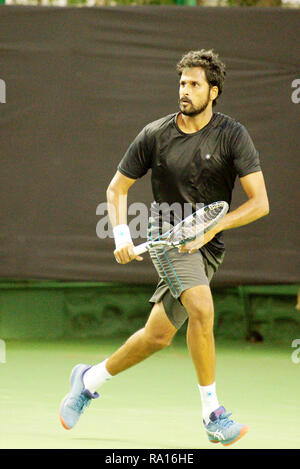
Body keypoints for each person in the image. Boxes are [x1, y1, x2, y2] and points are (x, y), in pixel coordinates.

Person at [59, 49, 269, 446]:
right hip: (168, 235)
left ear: (214, 91)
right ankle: (213, 414)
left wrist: (212, 230)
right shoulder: (155, 134)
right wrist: (121, 235)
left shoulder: (232, 135)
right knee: (202, 308)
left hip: (206, 243)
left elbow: (260, 202)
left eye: (194, 84)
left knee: (157, 336)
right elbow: (117, 188)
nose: (185, 91)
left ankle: (88, 379)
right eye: (182, 83)